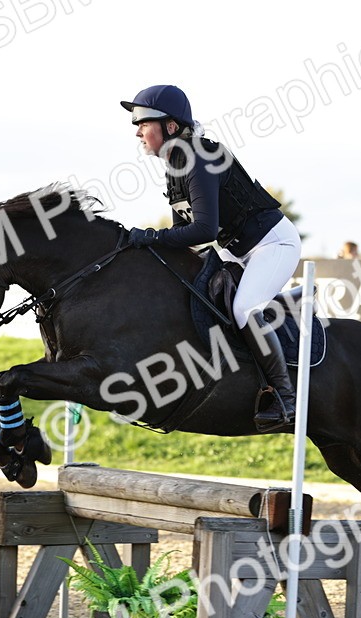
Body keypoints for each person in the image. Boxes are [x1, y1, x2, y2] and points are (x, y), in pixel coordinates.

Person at [121, 84, 301, 431]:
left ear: (170, 126)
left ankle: (284, 397)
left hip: (273, 245)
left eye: (143, 123)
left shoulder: (199, 158)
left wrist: (151, 237)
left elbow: (203, 230)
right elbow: (183, 234)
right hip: (237, 251)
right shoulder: (175, 166)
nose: (138, 132)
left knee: (244, 309)